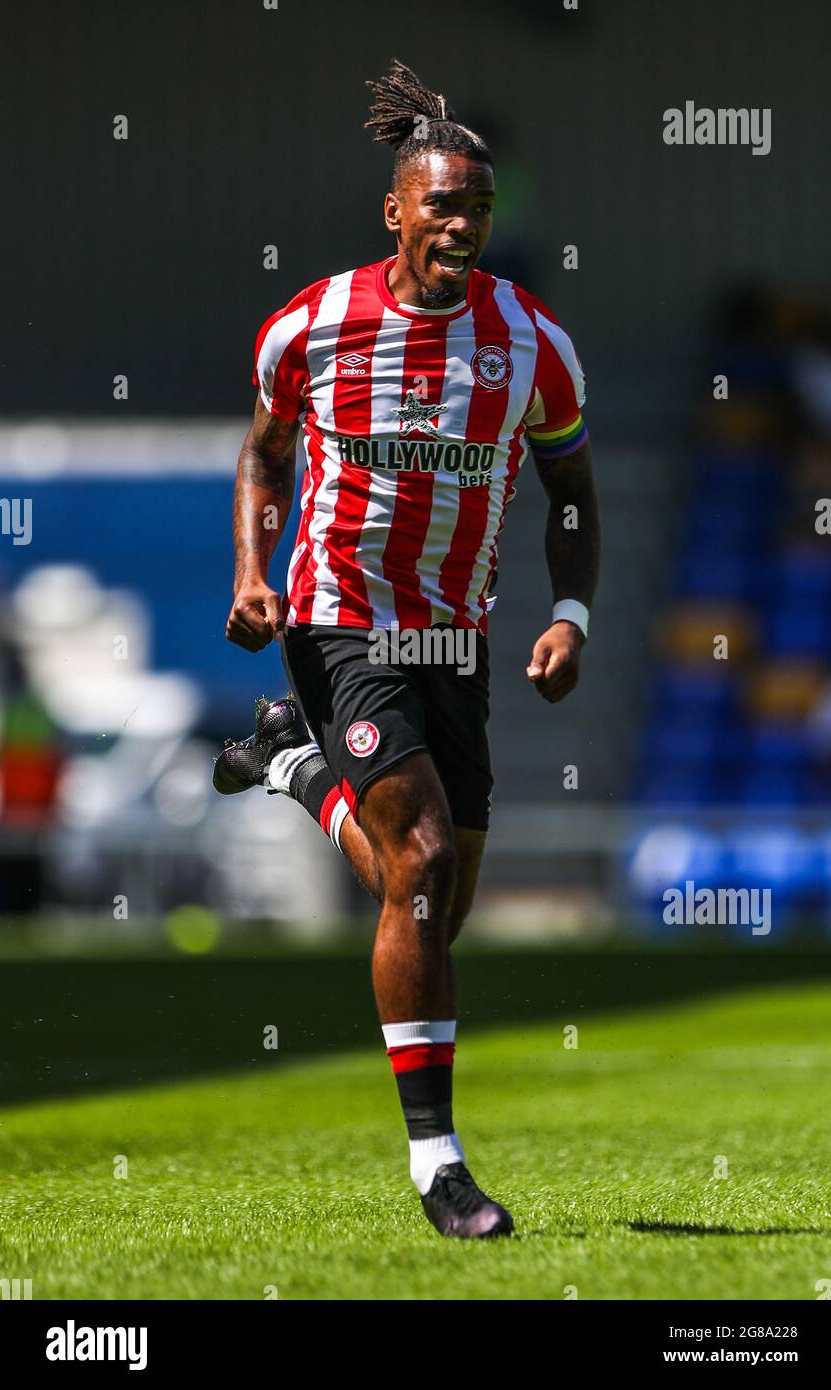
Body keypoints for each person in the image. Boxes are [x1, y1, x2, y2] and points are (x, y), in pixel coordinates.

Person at [215, 60, 600, 1239]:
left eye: (477, 210)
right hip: (340, 616)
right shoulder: (315, 325)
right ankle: (440, 1165)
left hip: (456, 637)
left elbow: (574, 493)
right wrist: (252, 573)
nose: (460, 227)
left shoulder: (533, 344)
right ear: (396, 211)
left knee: (431, 898)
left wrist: (568, 615)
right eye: (441, 206)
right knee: (422, 858)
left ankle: (292, 767)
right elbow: (266, 457)